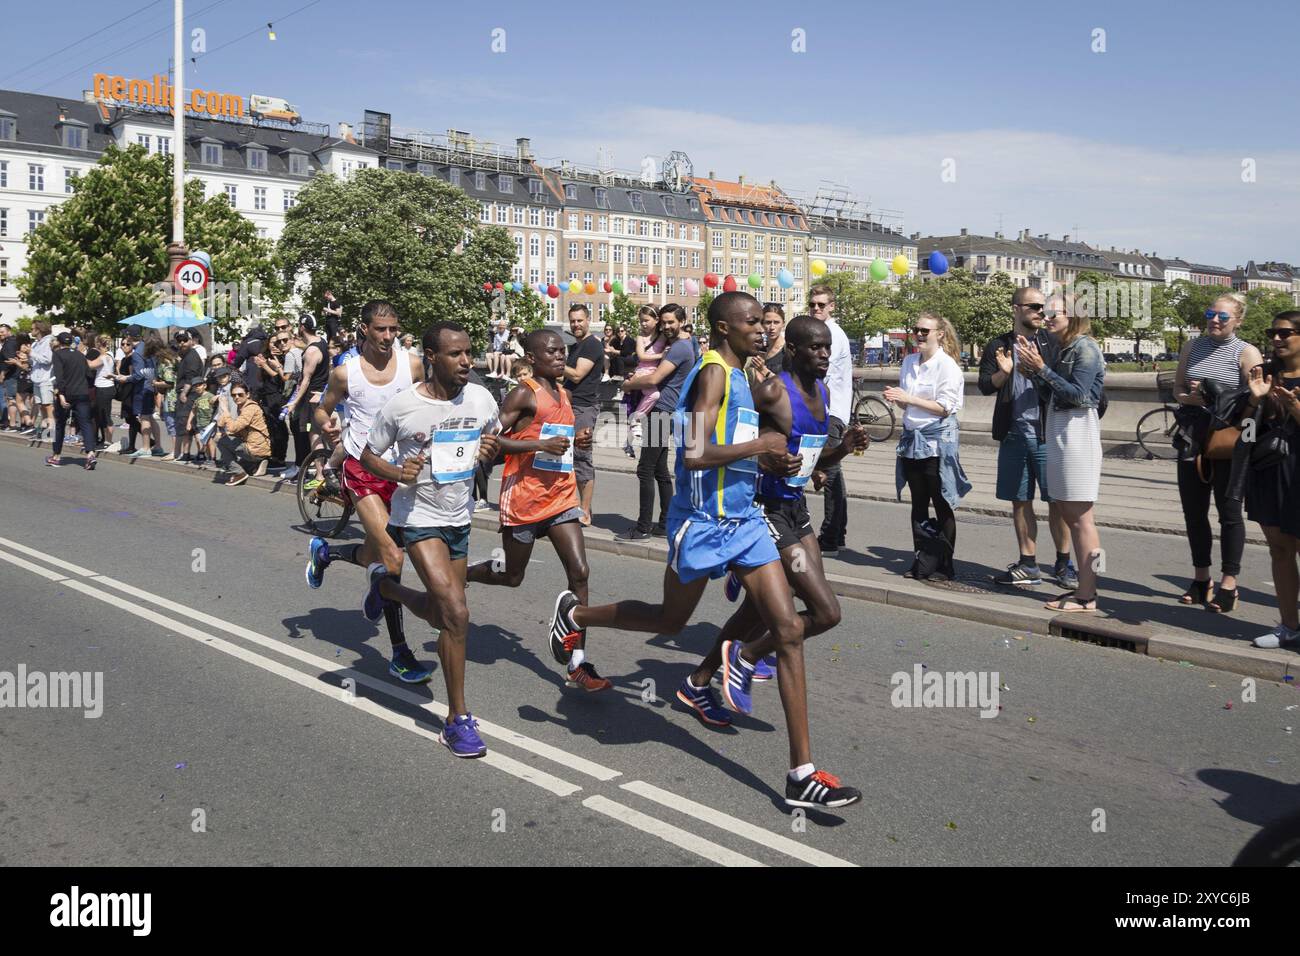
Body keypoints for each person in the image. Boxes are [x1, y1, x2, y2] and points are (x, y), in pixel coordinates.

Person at [551, 291, 862, 810]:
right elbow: (694, 454)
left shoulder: (745, 377)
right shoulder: (715, 372)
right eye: (749, 324)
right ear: (723, 329)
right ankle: (576, 613)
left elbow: (738, 451)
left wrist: (771, 464)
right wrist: (760, 448)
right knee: (670, 621)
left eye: (763, 324)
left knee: (787, 631)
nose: (760, 331)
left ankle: (801, 773)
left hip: (745, 521)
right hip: (699, 521)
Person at [360, 321, 501, 758]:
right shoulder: (402, 407)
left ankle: (385, 587)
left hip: (460, 517)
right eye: (456, 355)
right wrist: (394, 473)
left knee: (443, 619)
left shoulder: (480, 397)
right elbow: (368, 455)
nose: (467, 362)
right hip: (418, 518)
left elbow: (491, 435)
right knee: (458, 613)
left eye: (469, 353)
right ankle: (457, 720)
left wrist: (488, 451)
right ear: (432, 357)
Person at [708, 317, 869, 690]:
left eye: (828, 347)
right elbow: (729, 442)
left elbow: (816, 460)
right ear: (793, 350)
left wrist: (842, 449)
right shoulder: (770, 392)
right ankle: (747, 655)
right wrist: (762, 456)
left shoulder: (824, 394)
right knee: (827, 612)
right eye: (816, 347)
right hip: (767, 509)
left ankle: (702, 678)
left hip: (797, 509)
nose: (825, 354)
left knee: (772, 604)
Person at [466, 329, 608, 690]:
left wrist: (577, 440)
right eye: (553, 352)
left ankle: (578, 661)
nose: (562, 357)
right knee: (513, 576)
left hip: (560, 497)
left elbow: (557, 442)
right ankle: (465, 575)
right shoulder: (523, 393)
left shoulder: (564, 392)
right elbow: (491, 441)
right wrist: (539, 443)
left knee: (580, 572)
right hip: (525, 500)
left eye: (564, 352)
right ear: (531, 357)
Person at [303, 300, 432, 684]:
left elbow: (428, 401)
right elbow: (322, 410)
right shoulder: (346, 374)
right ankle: (400, 653)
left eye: (393, 329)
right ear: (364, 329)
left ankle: (327, 552)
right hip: (362, 468)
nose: (388, 337)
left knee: (380, 556)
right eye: (380, 330)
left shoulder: (411, 365)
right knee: (392, 559)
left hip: (403, 471)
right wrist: (327, 426)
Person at [979, 286, 1077, 589]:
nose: (1040, 312)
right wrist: (1004, 373)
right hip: (1013, 434)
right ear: (1016, 309)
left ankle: (1064, 564)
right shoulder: (998, 344)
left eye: (1044, 307)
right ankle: (1028, 564)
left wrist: (1039, 369)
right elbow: (985, 385)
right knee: (1020, 501)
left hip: (1047, 433)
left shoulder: (1054, 343)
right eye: (1034, 306)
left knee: (1057, 502)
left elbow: (1068, 388)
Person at [1170, 293, 1262, 612]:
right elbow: (1178, 390)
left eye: (1223, 316)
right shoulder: (1192, 347)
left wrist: (1218, 399)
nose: (1214, 320)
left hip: (1227, 437)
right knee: (1193, 511)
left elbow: (1256, 400)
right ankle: (1200, 579)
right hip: (1192, 433)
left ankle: (1229, 583)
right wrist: (1195, 399)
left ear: (1238, 320)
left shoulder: (1246, 352)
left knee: (1229, 512)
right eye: (1211, 313)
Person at [1017, 296, 1106, 612]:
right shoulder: (1061, 349)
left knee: (1082, 520)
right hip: (1059, 432)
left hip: (1078, 437)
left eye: (1055, 312)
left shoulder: (1085, 348)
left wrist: (1042, 369)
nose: (1047, 316)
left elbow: (1081, 397)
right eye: (1044, 311)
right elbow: (1051, 395)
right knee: (1073, 516)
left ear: (1076, 316)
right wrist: (1033, 372)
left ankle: (1089, 594)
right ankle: (1087, 589)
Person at [887, 312, 970, 581]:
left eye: (925, 331)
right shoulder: (909, 361)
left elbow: (945, 408)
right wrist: (898, 399)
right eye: (916, 330)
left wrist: (908, 397)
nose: (919, 335)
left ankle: (945, 564)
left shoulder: (948, 367)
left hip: (936, 443)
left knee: (942, 502)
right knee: (918, 502)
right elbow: (908, 403)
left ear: (939, 334)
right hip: (912, 439)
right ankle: (922, 560)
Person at [1244, 312, 1300, 650]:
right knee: (1279, 549)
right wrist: (1255, 401)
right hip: (1269, 469)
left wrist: (1295, 409)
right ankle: (1289, 626)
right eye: (1272, 333)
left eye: (1285, 333)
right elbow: (1246, 435)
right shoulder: (1264, 374)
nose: (1276, 339)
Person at [617, 304, 694, 540]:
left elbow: (655, 377)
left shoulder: (679, 348)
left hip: (662, 411)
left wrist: (627, 385)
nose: (667, 326)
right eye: (664, 322)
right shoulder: (688, 343)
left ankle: (642, 528)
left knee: (645, 469)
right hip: (670, 410)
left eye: (672, 322)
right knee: (660, 469)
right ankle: (664, 524)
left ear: (682, 320)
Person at [808, 286, 852, 557]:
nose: (816, 309)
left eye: (821, 305)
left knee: (830, 471)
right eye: (812, 304)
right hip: (828, 408)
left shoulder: (832, 334)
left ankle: (831, 537)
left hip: (831, 410)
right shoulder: (822, 331)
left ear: (832, 306)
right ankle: (839, 532)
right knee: (833, 470)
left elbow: (818, 370)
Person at [563, 304, 604, 526]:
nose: (576, 324)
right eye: (573, 321)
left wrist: (555, 363)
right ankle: (574, 507)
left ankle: (585, 512)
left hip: (584, 408)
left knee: (581, 458)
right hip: (571, 406)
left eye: (580, 320)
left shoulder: (591, 345)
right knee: (567, 459)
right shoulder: (576, 346)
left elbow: (577, 375)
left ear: (588, 320)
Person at [284, 314, 330, 481]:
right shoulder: (321, 342)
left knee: (315, 435)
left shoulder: (311, 352)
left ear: (302, 327)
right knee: (324, 434)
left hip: (312, 398)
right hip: (322, 395)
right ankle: (329, 470)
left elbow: (305, 380)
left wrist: (294, 402)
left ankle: (319, 475)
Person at [44, 332, 98, 470]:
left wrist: (61, 395)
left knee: (60, 424)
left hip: (67, 393)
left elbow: (59, 376)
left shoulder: (58, 354)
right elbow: (89, 373)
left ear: (59, 342)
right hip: (82, 392)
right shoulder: (80, 355)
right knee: (85, 423)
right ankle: (90, 453)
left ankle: (56, 455)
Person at [620, 305, 667, 458]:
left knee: (649, 400)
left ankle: (633, 434)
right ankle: (636, 420)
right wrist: (661, 356)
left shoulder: (663, 336)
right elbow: (642, 356)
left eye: (646, 320)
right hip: (643, 372)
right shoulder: (641, 337)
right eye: (641, 321)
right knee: (653, 396)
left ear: (656, 320)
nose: (643, 324)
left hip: (656, 372)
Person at [213, 381, 271, 486]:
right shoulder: (241, 407)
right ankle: (257, 463)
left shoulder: (250, 408)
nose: (237, 397)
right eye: (234, 395)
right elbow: (222, 425)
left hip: (255, 448)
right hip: (254, 446)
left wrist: (225, 410)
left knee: (220, 441)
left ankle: (239, 473)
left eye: (240, 394)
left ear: (248, 394)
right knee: (222, 437)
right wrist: (221, 407)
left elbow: (233, 428)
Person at [165, 331, 204, 461]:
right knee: (186, 425)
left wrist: (183, 393)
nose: (182, 343)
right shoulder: (186, 356)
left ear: (191, 341)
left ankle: (201, 454)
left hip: (189, 394)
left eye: (185, 340)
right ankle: (186, 453)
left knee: (188, 424)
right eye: (179, 340)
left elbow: (191, 377)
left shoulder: (192, 356)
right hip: (187, 392)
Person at [746, 303, 787, 384]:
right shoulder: (759, 350)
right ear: (762, 324)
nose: (772, 327)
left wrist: (764, 371)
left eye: (776, 322)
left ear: (783, 324)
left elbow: (790, 385)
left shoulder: (788, 350)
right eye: (768, 322)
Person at [88, 334, 117, 450]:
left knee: (105, 415)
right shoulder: (109, 355)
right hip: (106, 387)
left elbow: (90, 365)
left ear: (99, 344)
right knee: (103, 414)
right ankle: (106, 439)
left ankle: (109, 440)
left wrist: (80, 356)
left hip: (104, 388)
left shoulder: (104, 357)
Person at [28, 319, 55, 442]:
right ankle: (45, 432)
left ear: (39, 330)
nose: (31, 331)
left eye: (33, 329)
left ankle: (52, 433)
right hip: (37, 379)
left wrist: (31, 353)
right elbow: (34, 361)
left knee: (48, 406)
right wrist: (26, 357)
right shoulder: (35, 344)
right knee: (41, 406)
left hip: (46, 379)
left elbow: (47, 360)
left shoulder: (48, 341)